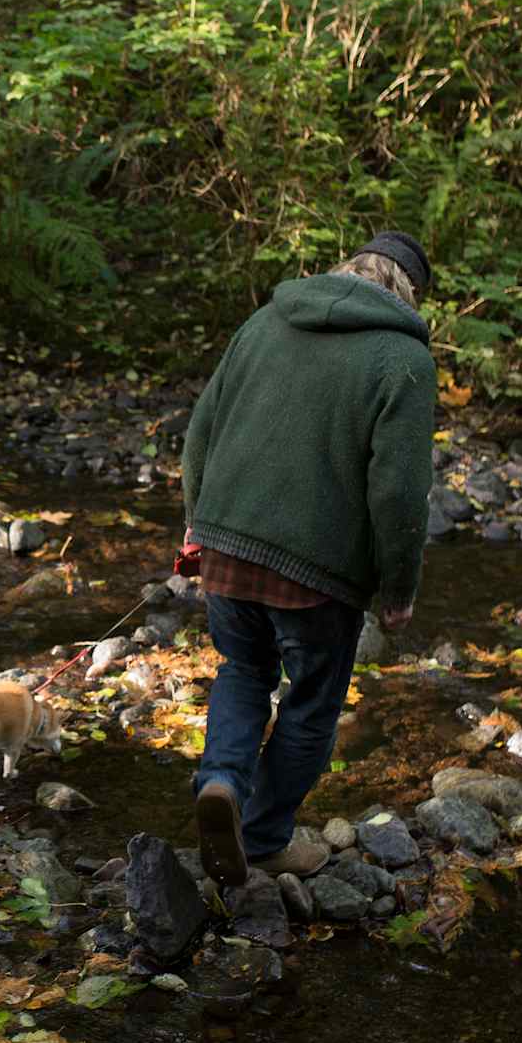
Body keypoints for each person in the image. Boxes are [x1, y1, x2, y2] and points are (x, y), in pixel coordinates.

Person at [181, 232, 436, 889]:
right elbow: (400, 489)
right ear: (409, 292)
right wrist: (399, 588)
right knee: (313, 704)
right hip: (317, 574)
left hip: (228, 545)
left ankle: (221, 785)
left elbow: (201, 432)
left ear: (344, 268)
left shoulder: (265, 321)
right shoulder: (402, 357)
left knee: (244, 669)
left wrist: (195, 523)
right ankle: (265, 839)